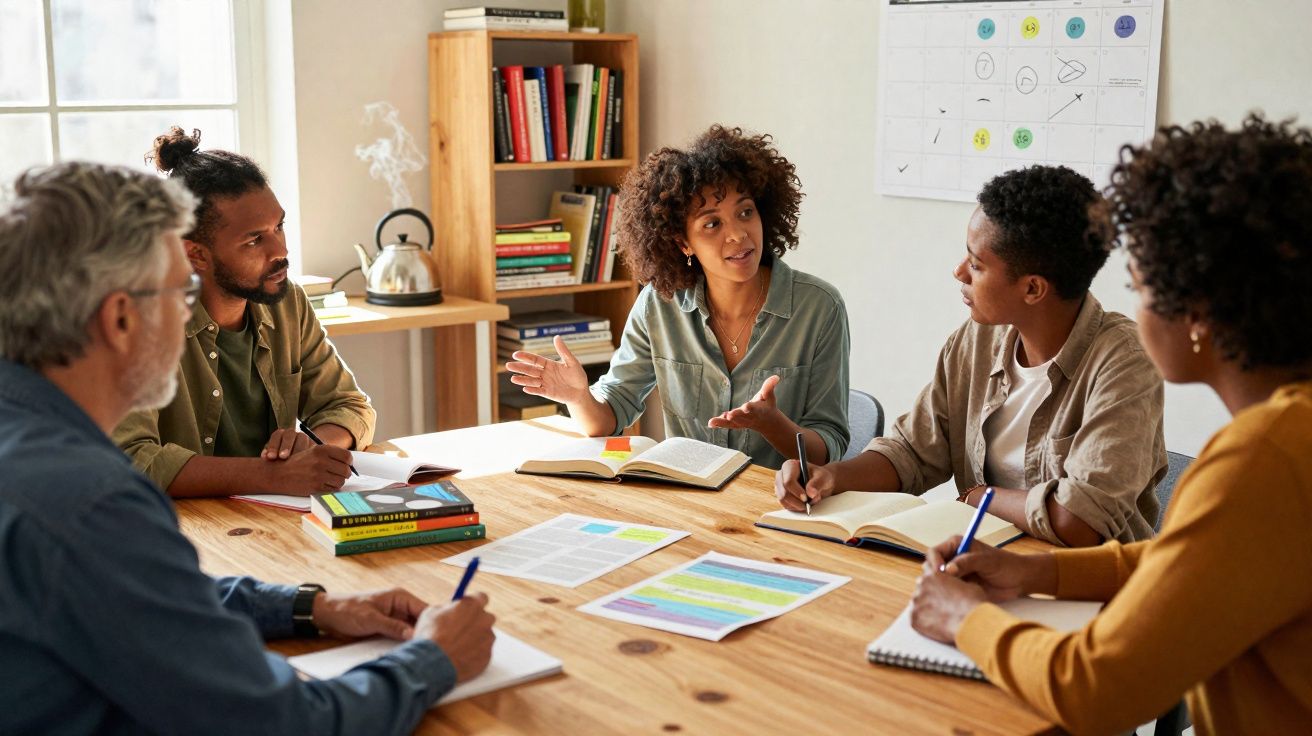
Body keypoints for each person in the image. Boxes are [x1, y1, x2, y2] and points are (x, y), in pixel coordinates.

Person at [0, 162, 497, 734]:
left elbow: (145, 597)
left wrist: (308, 608)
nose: (189, 308)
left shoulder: (34, 450)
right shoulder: (94, 503)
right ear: (119, 318)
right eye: (177, 291)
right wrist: (432, 659)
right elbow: (280, 724)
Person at [909, 114, 1312, 734]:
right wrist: (1034, 570)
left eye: (1140, 281)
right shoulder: (1290, 435)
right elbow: (1182, 566)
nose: (1133, 301)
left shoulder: (1262, 460)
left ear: (1197, 311)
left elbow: (1094, 689)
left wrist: (966, 619)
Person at [776, 165, 1167, 546]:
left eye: (977, 265)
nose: (959, 272)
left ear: (1032, 289)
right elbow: (912, 452)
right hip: (984, 562)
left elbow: (1080, 521)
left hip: (1091, 585)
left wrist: (983, 498)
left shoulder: (1125, 362)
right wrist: (831, 477)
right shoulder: (977, 339)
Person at [506, 125, 850, 469]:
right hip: (690, 500)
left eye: (745, 212)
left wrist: (773, 424)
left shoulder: (818, 308)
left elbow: (829, 445)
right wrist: (579, 397)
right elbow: (610, 415)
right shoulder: (660, 305)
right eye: (712, 225)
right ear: (683, 243)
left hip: (778, 504)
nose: (738, 235)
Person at [113, 127, 375, 497]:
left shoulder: (287, 302)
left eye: (278, 226)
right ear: (196, 254)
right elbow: (130, 461)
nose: (280, 250)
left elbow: (348, 404)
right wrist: (272, 476)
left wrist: (315, 448)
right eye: (254, 239)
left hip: (270, 524)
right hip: (183, 532)